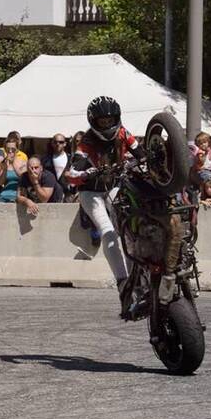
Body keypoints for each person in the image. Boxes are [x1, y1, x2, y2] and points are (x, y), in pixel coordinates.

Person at [67, 96, 162, 307]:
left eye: (110, 120)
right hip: (90, 193)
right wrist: (87, 172)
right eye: (102, 121)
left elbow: (141, 152)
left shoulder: (123, 133)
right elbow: (71, 173)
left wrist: (149, 162)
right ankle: (122, 282)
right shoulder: (86, 142)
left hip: (114, 185)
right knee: (108, 231)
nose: (107, 124)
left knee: (127, 229)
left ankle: (139, 279)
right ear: (94, 121)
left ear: (116, 118)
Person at [41, 134, 74, 202]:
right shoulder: (45, 159)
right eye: (55, 142)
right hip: (51, 195)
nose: (58, 144)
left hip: (68, 196)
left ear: (65, 144)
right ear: (52, 143)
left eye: (61, 142)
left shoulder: (71, 159)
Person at [0, 138, 27, 203]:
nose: (10, 151)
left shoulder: (24, 163)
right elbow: (1, 183)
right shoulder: (3, 163)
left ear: (17, 149)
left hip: (18, 196)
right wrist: (5, 168)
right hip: (4, 195)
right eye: (8, 149)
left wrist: (13, 163)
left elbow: (24, 178)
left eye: (13, 149)